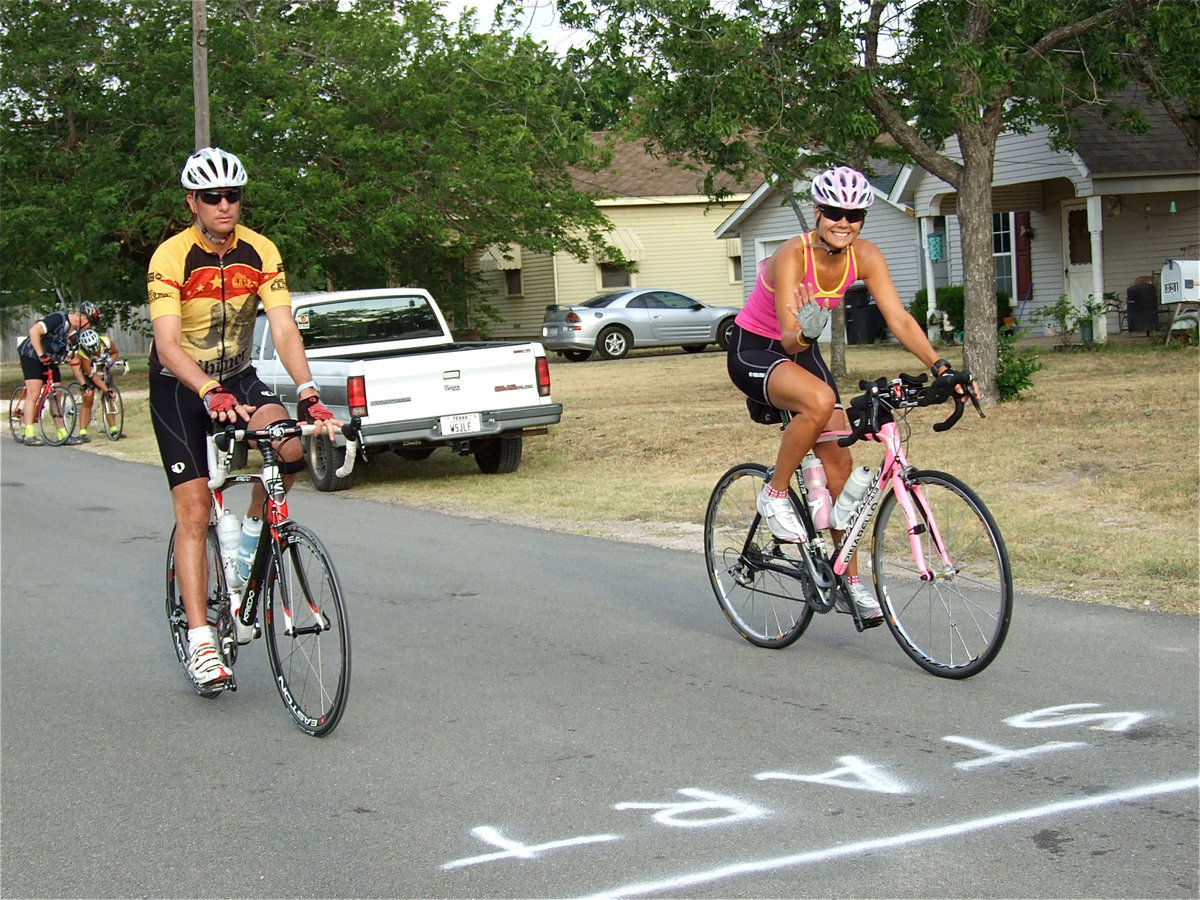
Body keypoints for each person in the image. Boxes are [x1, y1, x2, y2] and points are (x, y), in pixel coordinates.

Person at [726, 165, 975, 621]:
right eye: (834, 212)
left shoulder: (866, 255)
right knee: (819, 401)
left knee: (840, 463)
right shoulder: (791, 256)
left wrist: (941, 367)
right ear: (818, 212)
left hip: (804, 349)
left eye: (854, 214)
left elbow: (899, 319)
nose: (844, 222)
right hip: (756, 349)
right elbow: (787, 338)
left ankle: (851, 582)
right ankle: (775, 494)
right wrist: (806, 330)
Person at [148, 146, 339, 689]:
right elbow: (165, 346)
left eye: (233, 195)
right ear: (193, 202)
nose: (224, 205)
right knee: (193, 510)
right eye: (212, 197)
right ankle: (203, 643)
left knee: (290, 449)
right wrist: (206, 391)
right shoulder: (171, 258)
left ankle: (252, 545)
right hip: (180, 386)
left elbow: (283, 329)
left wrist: (308, 392)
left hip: (238, 374)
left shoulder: (261, 250)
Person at [16, 301, 101, 446]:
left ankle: (62, 433)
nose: (90, 328)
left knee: (56, 394)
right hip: (31, 354)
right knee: (34, 393)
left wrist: (84, 384)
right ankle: (29, 433)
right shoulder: (59, 319)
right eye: (91, 324)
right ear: (84, 319)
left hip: (50, 358)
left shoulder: (75, 334)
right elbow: (34, 331)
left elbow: (74, 360)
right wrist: (41, 355)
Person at [65, 327, 120, 443]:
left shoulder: (106, 342)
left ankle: (113, 429)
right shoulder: (82, 353)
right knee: (88, 397)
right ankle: (82, 433)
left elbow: (115, 352)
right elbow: (92, 375)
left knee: (108, 399)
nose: (96, 352)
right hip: (89, 373)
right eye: (92, 351)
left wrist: (109, 363)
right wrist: (106, 390)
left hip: (102, 369)